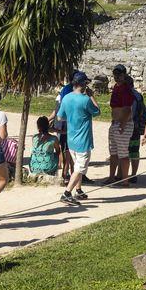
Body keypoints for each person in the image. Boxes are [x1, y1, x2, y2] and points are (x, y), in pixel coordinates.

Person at [57, 73, 100, 205]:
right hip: (83, 140)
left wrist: (72, 116)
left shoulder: (66, 98)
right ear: (83, 84)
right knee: (80, 168)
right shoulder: (85, 100)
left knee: (76, 166)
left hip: (71, 138)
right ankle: (67, 193)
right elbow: (97, 111)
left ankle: (78, 189)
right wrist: (91, 96)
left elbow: (60, 117)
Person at [50, 70, 79, 186]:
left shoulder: (66, 89)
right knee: (67, 150)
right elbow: (64, 107)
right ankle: (66, 173)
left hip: (64, 122)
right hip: (67, 122)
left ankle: (69, 173)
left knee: (67, 149)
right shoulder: (68, 89)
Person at [106, 64, 133, 185]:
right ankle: (112, 177)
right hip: (116, 123)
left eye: (119, 74)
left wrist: (122, 124)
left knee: (123, 153)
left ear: (124, 75)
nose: (117, 76)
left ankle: (125, 180)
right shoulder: (116, 88)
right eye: (115, 74)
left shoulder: (126, 89)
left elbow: (127, 109)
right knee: (113, 152)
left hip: (123, 123)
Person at [128, 76, 146, 184]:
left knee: (126, 151)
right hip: (135, 127)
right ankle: (133, 174)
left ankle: (124, 175)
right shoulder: (138, 95)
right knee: (134, 151)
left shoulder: (132, 96)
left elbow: (133, 113)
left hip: (130, 127)